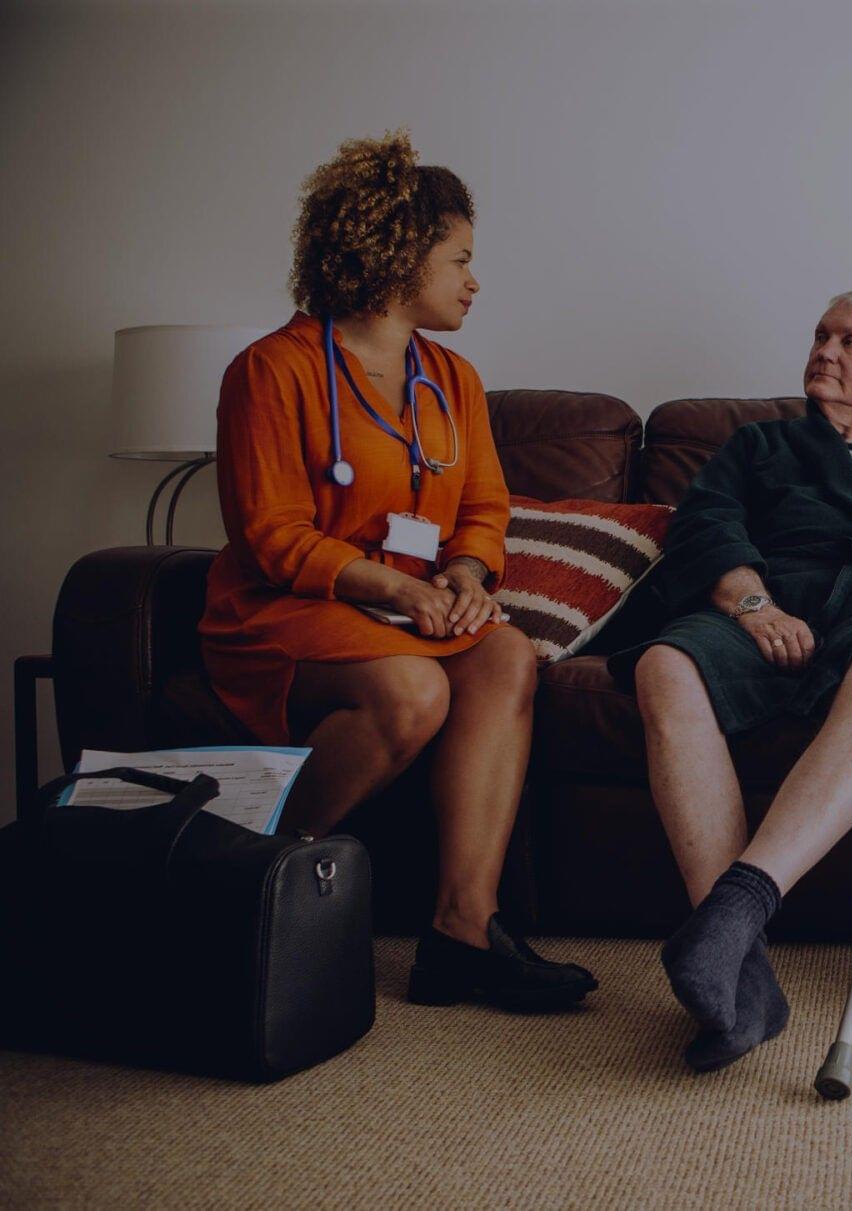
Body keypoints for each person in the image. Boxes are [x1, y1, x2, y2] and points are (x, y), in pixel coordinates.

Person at [200, 132, 596, 1014]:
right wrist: (395, 590)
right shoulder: (273, 370)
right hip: (289, 610)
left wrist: (461, 573)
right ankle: (234, 879)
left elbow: (484, 509)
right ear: (396, 255)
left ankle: (463, 932)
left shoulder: (452, 379)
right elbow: (270, 535)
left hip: (409, 610)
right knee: (415, 692)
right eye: (459, 258)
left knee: (504, 658)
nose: (474, 279)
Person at [608, 292, 852, 1072]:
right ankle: (744, 978)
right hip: (760, 603)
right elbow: (705, 524)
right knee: (663, 664)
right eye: (819, 335)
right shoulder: (758, 444)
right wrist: (754, 604)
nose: (826, 350)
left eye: (849, 340)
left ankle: (730, 916)